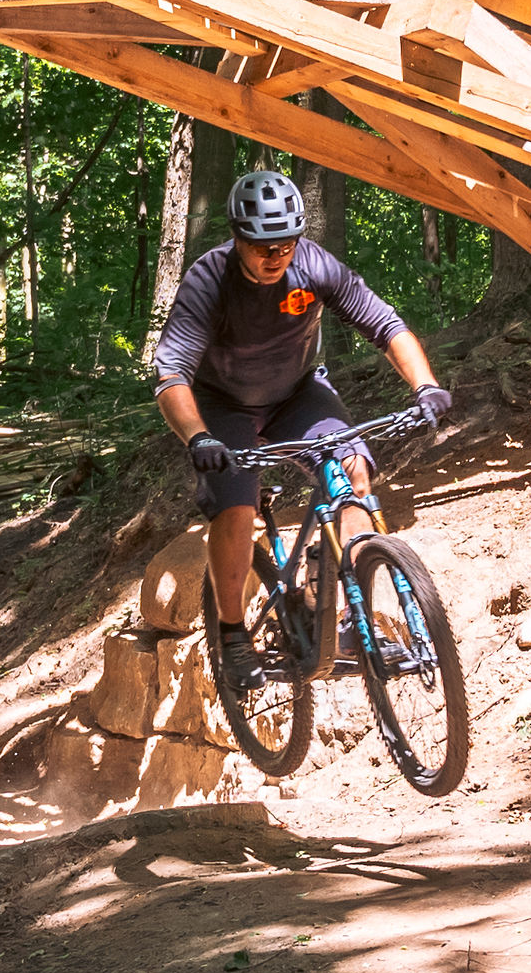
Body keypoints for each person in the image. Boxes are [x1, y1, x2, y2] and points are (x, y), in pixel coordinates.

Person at [149, 168, 451, 677]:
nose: (276, 256)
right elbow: (170, 372)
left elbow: (385, 324)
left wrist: (426, 386)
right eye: (263, 246)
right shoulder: (209, 279)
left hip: (296, 394)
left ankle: (332, 602)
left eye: (286, 244)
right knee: (238, 510)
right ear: (238, 238)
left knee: (353, 470)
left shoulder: (313, 265)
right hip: (223, 405)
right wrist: (198, 436)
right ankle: (232, 635)